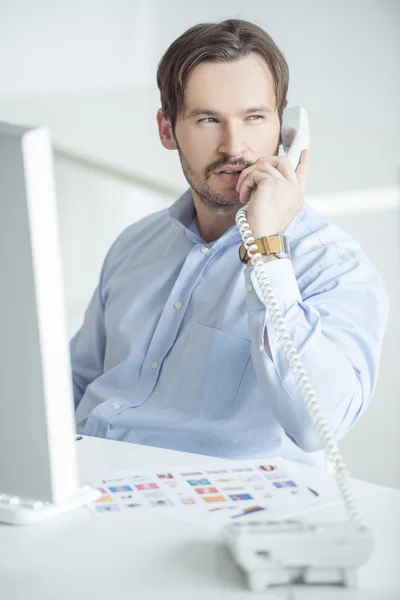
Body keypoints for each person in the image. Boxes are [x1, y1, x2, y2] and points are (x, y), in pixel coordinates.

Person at [70, 19, 389, 469]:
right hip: (82, 482)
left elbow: (320, 426)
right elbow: (75, 382)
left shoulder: (334, 268)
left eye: (255, 118)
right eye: (207, 120)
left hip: (215, 512)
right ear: (167, 130)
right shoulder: (135, 244)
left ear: (285, 129)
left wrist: (267, 250)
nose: (233, 146)